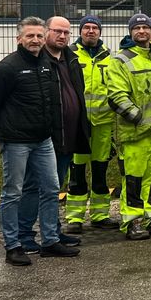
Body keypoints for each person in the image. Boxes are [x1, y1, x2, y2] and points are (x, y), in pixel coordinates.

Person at [0, 17, 81, 266]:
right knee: (13, 192)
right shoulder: (7, 68)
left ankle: (50, 241)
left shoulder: (46, 65)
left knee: (51, 188)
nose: (35, 40)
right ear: (19, 39)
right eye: (30, 36)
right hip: (16, 141)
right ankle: (13, 246)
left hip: (43, 140)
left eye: (38, 36)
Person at [17, 16, 88, 250]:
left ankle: (52, 232)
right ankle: (24, 236)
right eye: (57, 31)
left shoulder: (71, 59)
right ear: (47, 32)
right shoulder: (37, 61)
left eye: (66, 32)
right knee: (33, 186)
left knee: (53, 187)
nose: (62, 36)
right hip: (43, 137)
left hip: (68, 136)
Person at [107, 13, 151, 239]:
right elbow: (116, 95)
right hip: (137, 133)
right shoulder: (121, 60)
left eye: (145, 28)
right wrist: (138, 117)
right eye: (137, 28)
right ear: (130, 32)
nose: (142, 31)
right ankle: (133, 221)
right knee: (135, 180)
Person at [65, 15, 118, 231]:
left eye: (94, 28)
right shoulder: (69, 55)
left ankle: (100, 215)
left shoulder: (110, 57)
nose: (90, 31)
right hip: (78, 125)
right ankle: (75, 218)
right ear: (80, 31)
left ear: (100, 32)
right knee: (77, 171)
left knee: (100, 170)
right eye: (86, 27)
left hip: (103, 122)